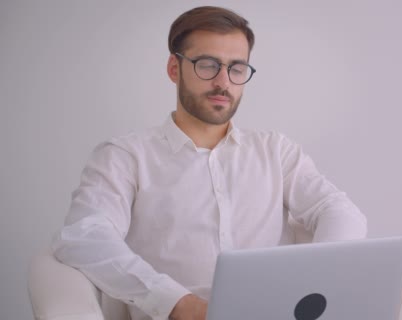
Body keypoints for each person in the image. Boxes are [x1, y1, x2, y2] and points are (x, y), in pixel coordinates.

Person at [52, 6, 366, 320]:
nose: (223, 82)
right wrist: (176, 302)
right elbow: (85, 236)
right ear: (174, 68)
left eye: (236, 68)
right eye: (207, 65)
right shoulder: (125, 156)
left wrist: (315, 278)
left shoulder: (276, 151)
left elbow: (338, 210)